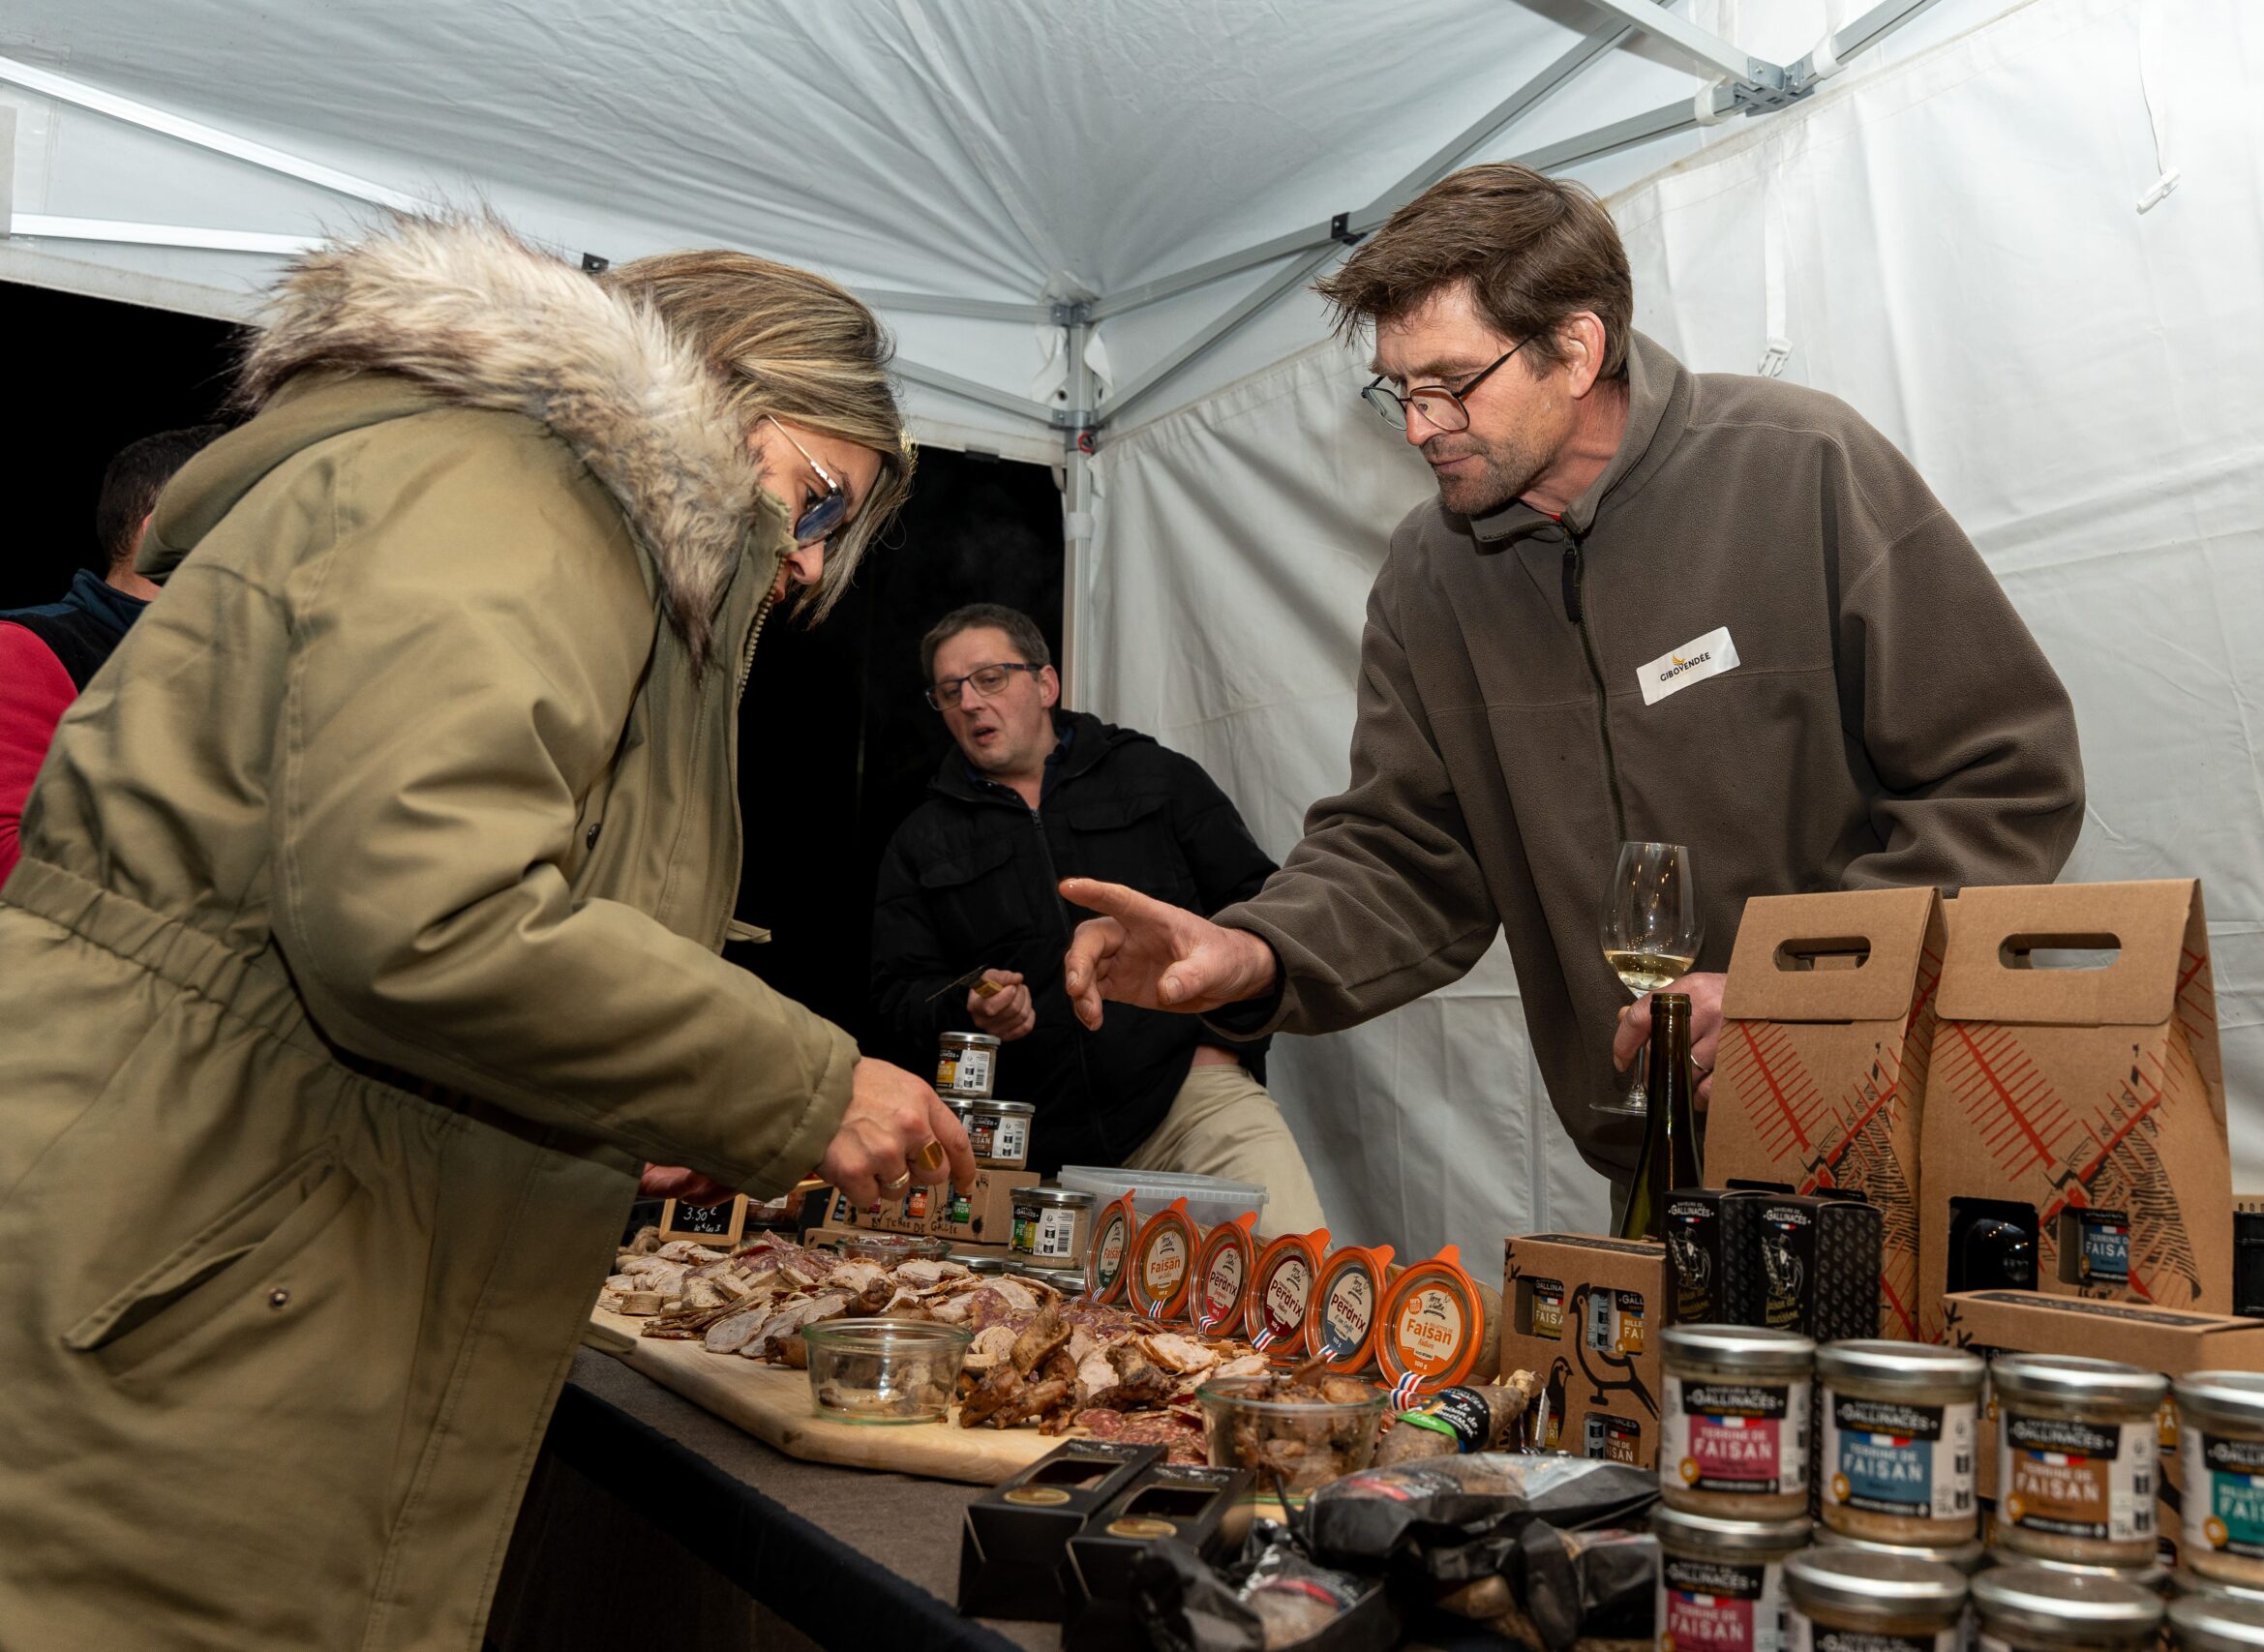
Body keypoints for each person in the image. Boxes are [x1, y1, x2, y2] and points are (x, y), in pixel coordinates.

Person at [0, 215, 973, 1649]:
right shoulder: (517, 483)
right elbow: (424, 915)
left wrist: (614, 1097)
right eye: (815, 501)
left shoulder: (500, 489)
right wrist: (804, 1084)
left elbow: (360, 912)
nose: (808, 568)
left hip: (215, 1228)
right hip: (192, 1259)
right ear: (705, 390)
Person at [1060, 162, 2083, 1206]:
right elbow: (1407, 853)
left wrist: (1799, 989)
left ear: (1578, 348)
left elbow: (2004, 778)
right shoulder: (1429, 577)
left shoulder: (1802, 467)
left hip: (1893, 1143)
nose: (1418, 426)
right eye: (1397, 390)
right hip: (1654, 1164)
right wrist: (1254, 951)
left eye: (1450, 384)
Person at [873, 603, 1327, 1232]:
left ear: (1045, 683)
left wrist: (1223, 1047)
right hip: (1036, 1156)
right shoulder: (921, 841)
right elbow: (896, 997)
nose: (970, 702)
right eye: (950, 691)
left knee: (1292, 1268)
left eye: (990, 678)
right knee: (1053, 1305)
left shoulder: (1156, 778)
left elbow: (1258, 912)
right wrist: (968, 1003)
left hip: (1191, 1105)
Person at [0, 423, 223, 881]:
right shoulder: (26, 647)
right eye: (254, 523)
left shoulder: (260, 662)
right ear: (167, 535)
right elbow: (16, 859)